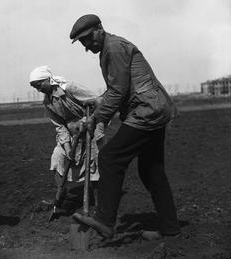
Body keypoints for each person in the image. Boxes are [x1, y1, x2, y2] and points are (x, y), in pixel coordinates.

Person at [69, 14, 180, 239]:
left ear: (100, 28)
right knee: (152, 172)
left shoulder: (114, 48)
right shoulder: (111, 47)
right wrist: (99, 100)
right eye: (82, 42)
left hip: (146, 112)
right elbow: (119, 87)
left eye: (88, 38)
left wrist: (95, 119)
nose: (87, 45)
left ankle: (105, 221)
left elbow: (119, 91)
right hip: (153, 109)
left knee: (110, 158)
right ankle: (171, 229)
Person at [29, 65, 106, 215]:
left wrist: (88, 120)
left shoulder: (69, 88)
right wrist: (67, 148)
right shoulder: (48, 102)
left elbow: (98, 101)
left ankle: (99, 204)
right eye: (34, 87)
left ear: (48, 79)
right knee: (58, 156)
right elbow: (60, 127)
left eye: (39, 85)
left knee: (94, 162)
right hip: (72, 133)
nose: (38, 89)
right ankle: (60, 198)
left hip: (91, 125)